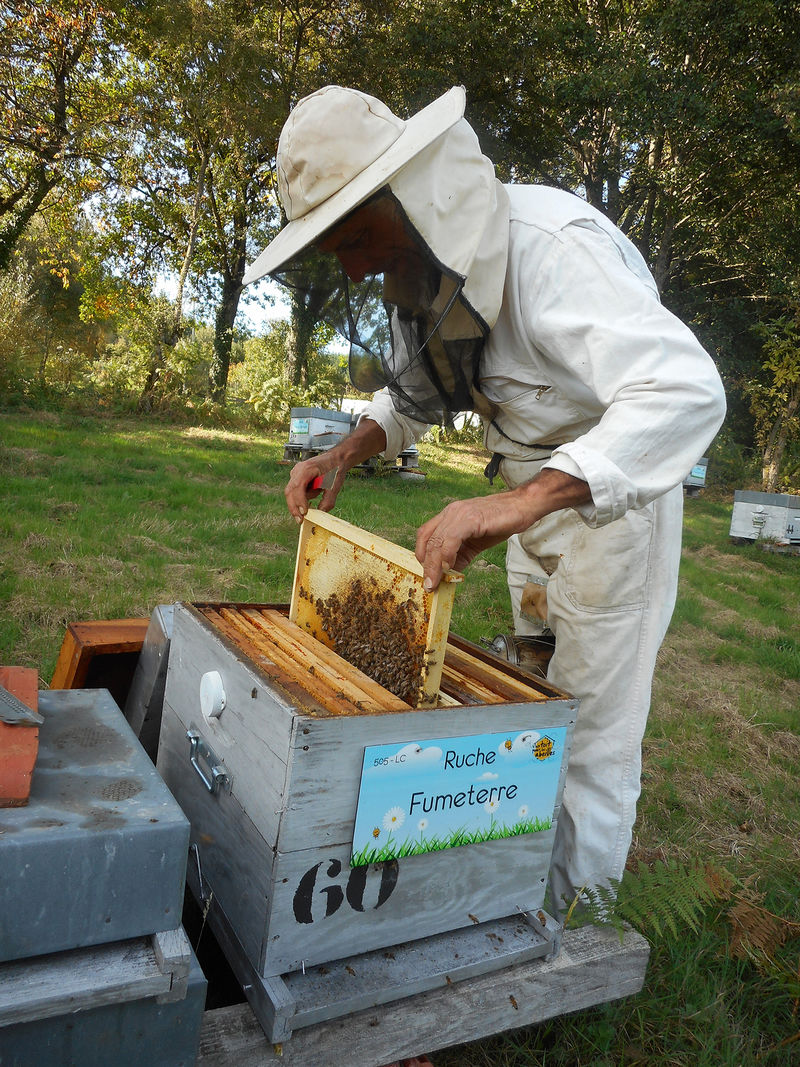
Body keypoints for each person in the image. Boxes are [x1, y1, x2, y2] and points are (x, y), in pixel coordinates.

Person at [243, 85, 726, 913]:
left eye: (356, 236)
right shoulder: (418, 269)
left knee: (590, 735)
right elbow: (417, 389)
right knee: (532, 699)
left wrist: (514, 505)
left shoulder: (549, 249)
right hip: (532, 508)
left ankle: (574, 925)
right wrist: (351, 446)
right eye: (336, 250)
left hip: (614, 514)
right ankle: (506, 886)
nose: (354, 266)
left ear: (410, 193)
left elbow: (684, 391)